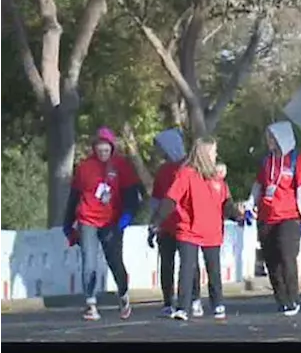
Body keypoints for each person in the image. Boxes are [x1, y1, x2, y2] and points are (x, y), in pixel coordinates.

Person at [155, 136, 247, 321]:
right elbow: (171, 200)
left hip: (212, 231)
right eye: (213, 151)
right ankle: (183, 307)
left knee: (213, 269)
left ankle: (217, 303)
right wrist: (157, 221)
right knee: (187, 268)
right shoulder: (186, 174)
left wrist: (237, 216)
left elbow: (226, 203)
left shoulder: (217, 179)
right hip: (188, 230)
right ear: (204, 153)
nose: (215, 155)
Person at [63, 127, 143, 321]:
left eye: (106, 149)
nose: (102, 153)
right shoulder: (84, 167)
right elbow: (74, 196)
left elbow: (133, 196)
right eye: (99, 149)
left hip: (112, 221)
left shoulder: (122, 166)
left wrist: (125, 220)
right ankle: (90, 303)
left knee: (114, 261)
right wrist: (68, 223)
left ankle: (123, 295)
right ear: (94, 148)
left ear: (112, 148)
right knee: (88, 262)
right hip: (87, 219)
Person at [246, 121, 301, 316]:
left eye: (272, 137)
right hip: (267, 218)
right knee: (271, 261)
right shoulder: (266, 161)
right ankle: (281, 298)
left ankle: (293, 298)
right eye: (268, 137)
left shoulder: (297, 161)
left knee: (287, 257)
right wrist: (251, 205)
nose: (269, 141)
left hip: (289, 217)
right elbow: (258, 185)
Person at [147, 128, 199, 318]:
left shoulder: (191, 167)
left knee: (189, 264)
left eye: (162, 147)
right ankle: (168, 300)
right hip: (166, 224)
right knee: (167, 264)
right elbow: (156, 199)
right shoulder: (163, 170)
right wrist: (153, 223)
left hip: (186, 223)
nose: (160, 151)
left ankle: (194, 299)